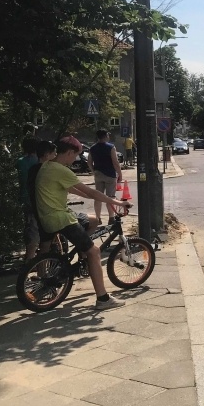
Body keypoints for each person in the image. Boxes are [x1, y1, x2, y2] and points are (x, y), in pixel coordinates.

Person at [35, 136, 132, 310]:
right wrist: (117, 203)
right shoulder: (61, 170)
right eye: (76, 155)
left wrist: (103, 198)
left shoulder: (47, 166)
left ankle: (82, 253)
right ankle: (103, 299)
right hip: (61, 218)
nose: (75, 160)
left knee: (94, 220)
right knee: (94, 252)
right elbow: (90, 191)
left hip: (47, 217)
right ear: (70, 152)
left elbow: (82, 192)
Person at [27, 141, 57, 256]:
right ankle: (38, 268)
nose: (55, 156)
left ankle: (37, 268)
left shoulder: (32, 169)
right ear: (46, 154)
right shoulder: (47, 170)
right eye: (53, 153)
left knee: (37, 239)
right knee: (44, 243)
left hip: (34, 207)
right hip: (45, 211)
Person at [87, 129, 123, 225]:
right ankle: (111, 218)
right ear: (106, 136)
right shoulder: (111, 147)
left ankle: (97, 218)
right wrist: (120, 173)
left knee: (98, 197)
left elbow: (89, 161)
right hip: (110, 175)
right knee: (110, 197)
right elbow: (115, 162)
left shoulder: (92, 148)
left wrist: (93, 171)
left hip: (98, 174)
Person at [14, 136, 40, 261]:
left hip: (24, 198)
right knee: (35, 229)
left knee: (29, 226)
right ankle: (30, 259)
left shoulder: (20, 161)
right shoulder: (39, 162)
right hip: (36, 199)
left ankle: (28, 254)